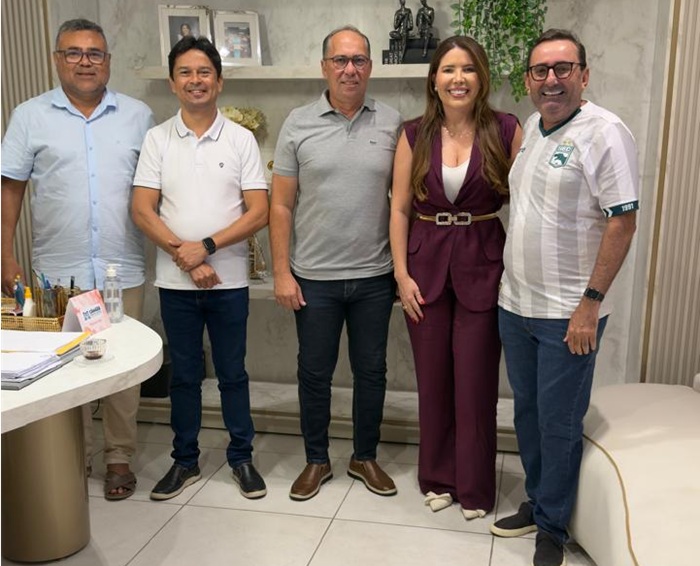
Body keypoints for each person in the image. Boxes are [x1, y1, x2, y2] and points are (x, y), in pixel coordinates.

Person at [491, 29, 639, 566]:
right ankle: (539, 501)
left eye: (562, 68)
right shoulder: (531, 128)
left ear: (584, 74)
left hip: (567, 314)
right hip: (517, 306)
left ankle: (552, 528)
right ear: (529, 80)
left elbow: (622, 222)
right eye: (540, 70)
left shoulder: (606, 133)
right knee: (528, 414)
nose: (550, 79)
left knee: (558, 422)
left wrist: (590, 303)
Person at [1, 18, 154, 500]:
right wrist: (5, 255)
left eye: (94, 53)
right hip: (57, 273)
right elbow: (10, 189)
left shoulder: (139, 115)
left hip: (121, 267)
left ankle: (118, 457)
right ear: (57, 59)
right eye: (74, 52)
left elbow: (156, 189)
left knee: (123, 365)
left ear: (108, 61)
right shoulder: (29, 116)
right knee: (64, 368)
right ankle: (73, 456)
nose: (85, 62)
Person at [131, 36, 269, 501]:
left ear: (219, 81)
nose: (195, 80)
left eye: (204, 72)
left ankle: (241, 458)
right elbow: (142, 210)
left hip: (229, 282)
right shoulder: (157, 139)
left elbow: (258, 211)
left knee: (233, 373)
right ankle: (184, 460)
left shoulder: (241, 139)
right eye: (185, 73)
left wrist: (206, 247)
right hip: (176, 284)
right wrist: (186, 257)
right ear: (173, 83)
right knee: (185, 375)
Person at [390, 36, 522, 520]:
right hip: (423, 267)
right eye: (448, 69)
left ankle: (475, 487)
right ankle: (438, 478)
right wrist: (400, 274)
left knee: (476, 383)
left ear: (481, 78)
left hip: (484, 264)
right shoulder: (413, 134)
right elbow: (399, 208)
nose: (458, 78)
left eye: (468, 69)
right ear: (434, 80)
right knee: (433, 382)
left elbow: (525, 204)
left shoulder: (506, 129)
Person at [270, 25, 402, 501]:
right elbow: (280, 205)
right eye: (340, 60)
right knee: (314, 373)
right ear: (324, 66)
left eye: (359, 60)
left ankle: (364, 456)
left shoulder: (392, 123)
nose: (350, 69)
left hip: (374, 277)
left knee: (372, 372)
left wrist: (401, 271)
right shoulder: (297, 123)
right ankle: (317, 459)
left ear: (370, 67)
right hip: (314, 279)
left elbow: (403, 203)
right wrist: (281, 272)